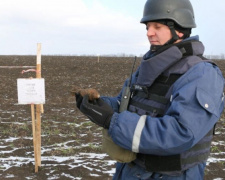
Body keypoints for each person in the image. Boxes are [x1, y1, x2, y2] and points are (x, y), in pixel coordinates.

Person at [75, 0, 225, 179]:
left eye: (157, 26)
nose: (149, 33)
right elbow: (126, 105)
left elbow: (180, 132)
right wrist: (99, 106)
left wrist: (113, 121)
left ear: (179, 29)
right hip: (131, 171)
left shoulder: (202, 73)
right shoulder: (150, 66)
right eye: (147, 26)